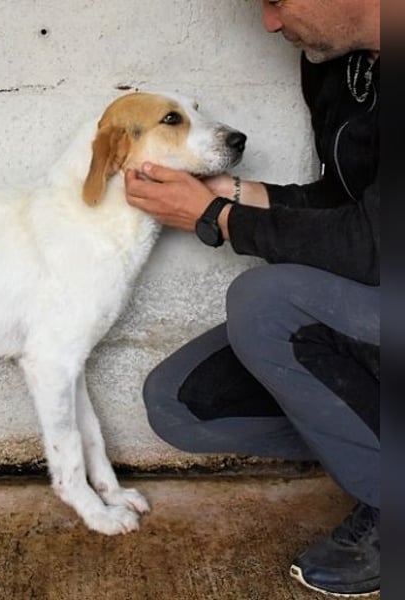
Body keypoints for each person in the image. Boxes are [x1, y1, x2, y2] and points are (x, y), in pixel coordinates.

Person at [124, 0, 380, 596]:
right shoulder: (339, 64)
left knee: (266, 304)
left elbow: (374, 244)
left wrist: (216, 217)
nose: (269, 23)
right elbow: (344, 206)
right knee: (182, 403)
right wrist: (229, 192)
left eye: (276, 0)